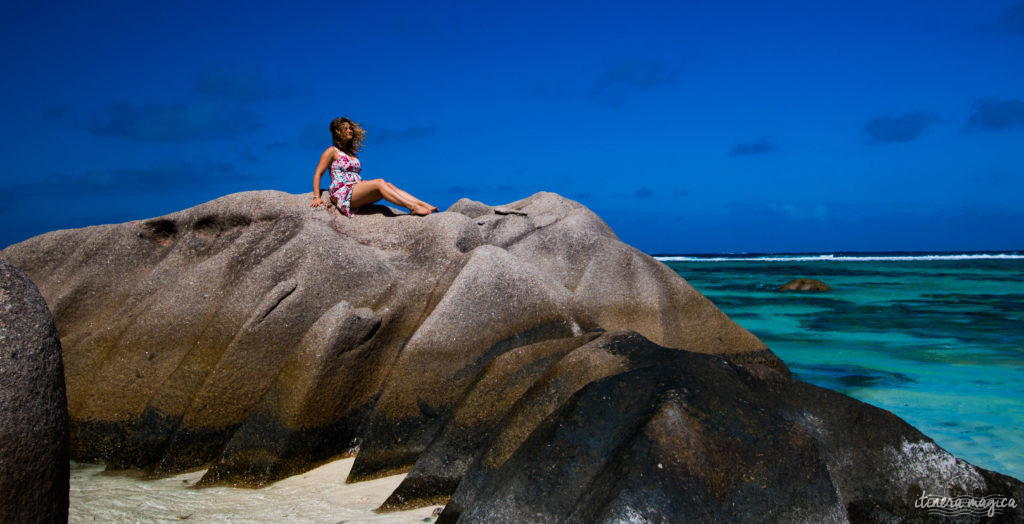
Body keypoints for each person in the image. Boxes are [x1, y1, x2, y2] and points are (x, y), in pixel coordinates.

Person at [311, 117, 438, 216]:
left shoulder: (350, 153)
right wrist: (317, 197)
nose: (350, 130)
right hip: (343, 193)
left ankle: (422, 204)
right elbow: (318, 174)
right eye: (345, 129)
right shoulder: (331, 151)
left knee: (388, 185)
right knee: (379, 182)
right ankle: (413, 208)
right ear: (338, 132)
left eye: (350, 128)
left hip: (355, 188)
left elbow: (353, 175)